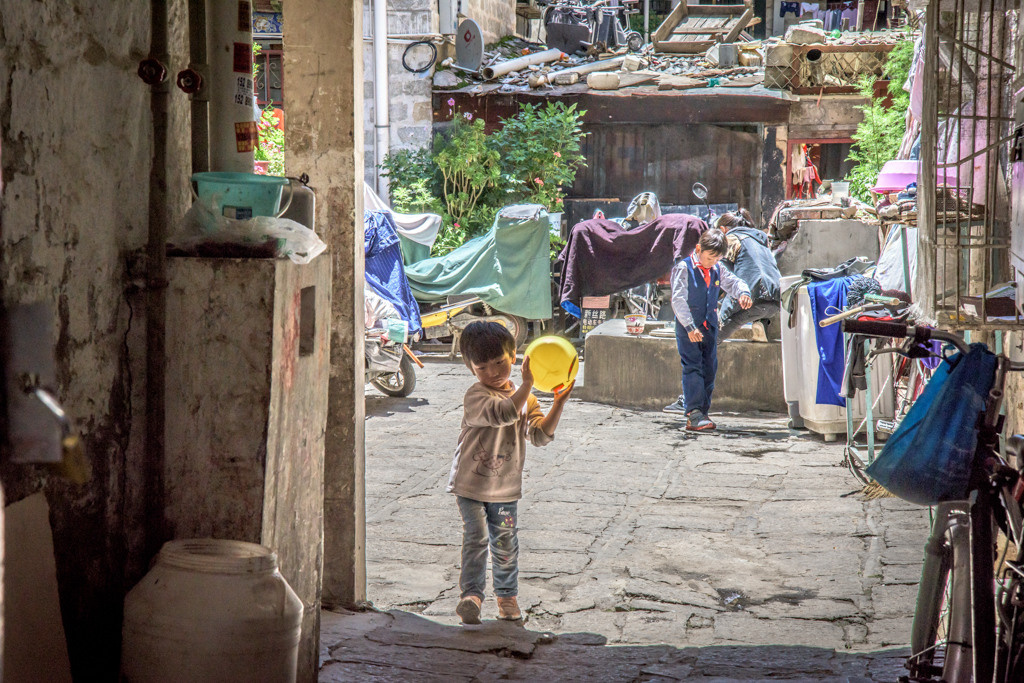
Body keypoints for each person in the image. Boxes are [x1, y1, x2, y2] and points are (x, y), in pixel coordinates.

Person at [447, 321, 574, 624]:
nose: (493, 372)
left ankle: (506, 597)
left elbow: (540, 435)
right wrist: (528, 385)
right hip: (471, 487)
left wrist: (559, 403)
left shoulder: (526, 399)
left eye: (499, 362)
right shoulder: (476, 396)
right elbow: (502, 413)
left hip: (505, 492)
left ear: (515, 355)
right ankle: (472, 596)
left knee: (505, 543)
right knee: (477, 538)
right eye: (482, 367)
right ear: (471, 369)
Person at [663, 228, 752, 431]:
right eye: (709, 257)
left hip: (709, 326)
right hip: (689, 327)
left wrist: (743, 293)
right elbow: (678, 299)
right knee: (693, 366)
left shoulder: (717, 269)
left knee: (709, 369)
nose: (712, 261)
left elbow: (734, 282)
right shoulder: (684, 268)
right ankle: (693, 413)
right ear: (698, 249)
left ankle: (702, 412)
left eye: (716, 258)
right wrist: (689, 326)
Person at [714, 209, 782, 343]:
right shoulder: (761, 241)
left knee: (712, 339)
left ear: (723, 229)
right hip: (775, 302)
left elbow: (720, 276)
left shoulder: (731, 239)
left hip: (751, 300)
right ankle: (760, 324)